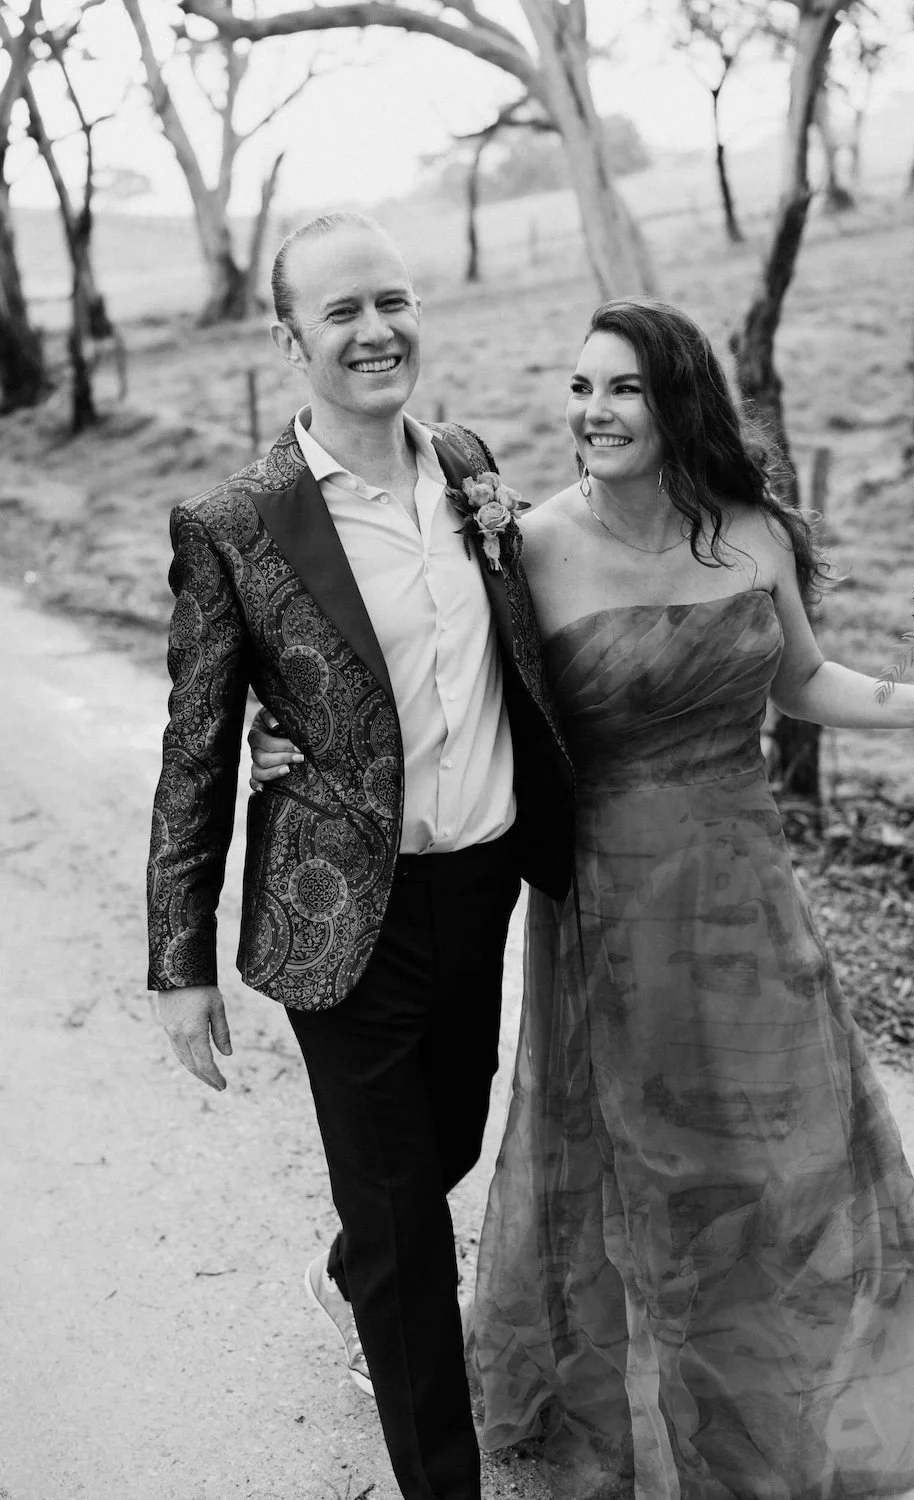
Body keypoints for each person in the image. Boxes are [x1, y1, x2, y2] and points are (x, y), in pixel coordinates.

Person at [253, 298, 914, 1500]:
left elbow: (804, 682)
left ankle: (771, 1406)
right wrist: (277, 737)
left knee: (780, 1156)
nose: (592, 414)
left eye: (624, 390)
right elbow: (416, 669)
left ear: (679, 402)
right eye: (580, 388)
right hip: (611, 903)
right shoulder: (527, 545)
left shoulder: (752, 533)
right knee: (648, 1169)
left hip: (749, 895)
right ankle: (657, 1427)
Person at [146, 210, 574, 1500]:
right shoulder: (235, 525)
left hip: (482, 878)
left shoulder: (471, 466)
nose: (377, 329)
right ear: (290, 341)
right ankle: (442, 1473)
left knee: (444, 1138)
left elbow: (517, 653)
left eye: (392, 300)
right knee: (405, 1225)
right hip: (341, 915)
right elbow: (197, 746)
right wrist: (179, 959)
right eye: (341, 312)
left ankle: (354, 1277)